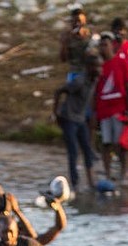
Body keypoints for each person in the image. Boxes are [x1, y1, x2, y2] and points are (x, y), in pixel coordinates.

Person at [54, 52, 100, 191]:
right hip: (68, 118)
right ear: (89, 67)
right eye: (97, 67)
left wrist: (92, 115)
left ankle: (91, 181)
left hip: (80, 118)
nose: (100, 70)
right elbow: (59, 90)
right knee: (73, 151)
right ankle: (75, 183)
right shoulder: (79, 81)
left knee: (87, 149)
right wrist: (55, 112)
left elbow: (90, 99)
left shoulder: (93, 80)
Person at [94, 31, 128, 185]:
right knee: (106, 143)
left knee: (122, 144)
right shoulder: (98, 66)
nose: (102, 48)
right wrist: (95, 113)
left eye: (105, 45)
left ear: (112, 46)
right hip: (104, 111)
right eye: (100, 45)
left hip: (119, 110)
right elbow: (95, 91)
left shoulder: (122, 63)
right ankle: (107, 173)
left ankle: (124, 174)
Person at [59, 4, 92, 79]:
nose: (78, 24)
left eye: (80, 21)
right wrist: (65, 44)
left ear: (84, 21)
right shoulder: (67, 35)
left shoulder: (90, 34)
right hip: (75, 72)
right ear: (71, 21)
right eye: (75, 21)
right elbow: (63, 59)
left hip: (89, 72)